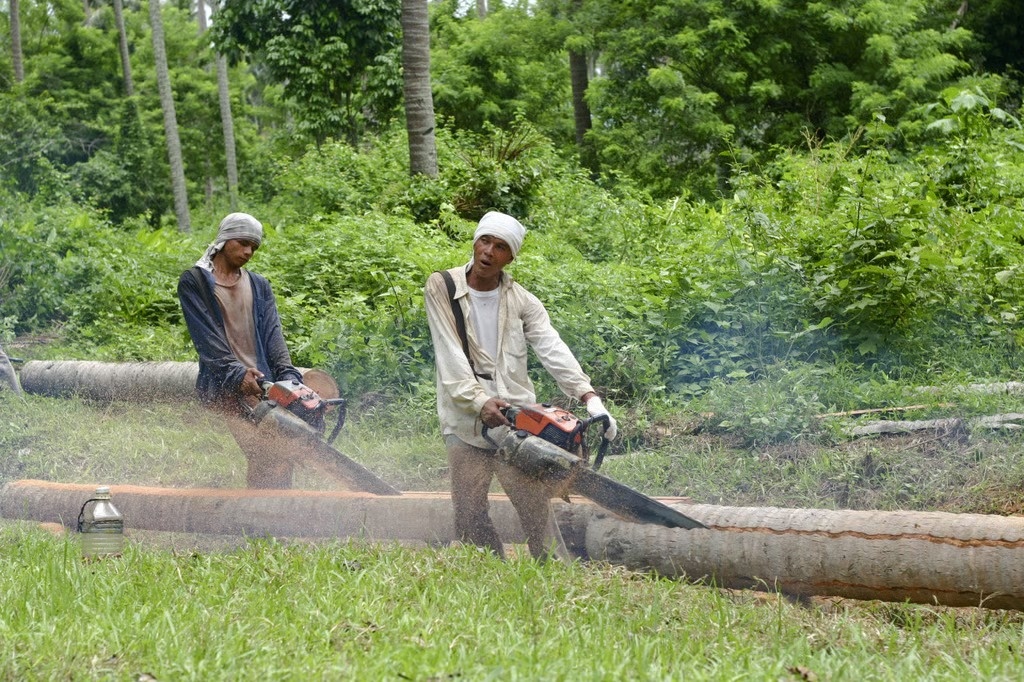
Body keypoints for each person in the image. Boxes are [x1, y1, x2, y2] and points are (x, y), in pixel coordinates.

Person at [424, 211, 618, 560]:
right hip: (464, 416)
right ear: (475, 241)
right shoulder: (443, 286)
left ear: (510, 257)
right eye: (485, 241)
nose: (488, 252)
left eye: (500, 247)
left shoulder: (521, 300)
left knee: (532, 504)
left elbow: (550, 345)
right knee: (469, 509)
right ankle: (488, 569)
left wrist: (588, 396)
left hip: (516, 420)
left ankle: (550, 566)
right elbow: (449, 353)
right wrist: (478, 399)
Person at [178, 212, 303, 489]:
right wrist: (237, 375)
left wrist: (287, 374)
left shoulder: (258, 284)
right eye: (243, 243)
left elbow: (273, 334)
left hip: (263, 383)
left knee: (282, 451)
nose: (248, 252)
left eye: (254, 247)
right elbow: (206, 339)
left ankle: (276, 521)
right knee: (264, 451)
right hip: (225, 384)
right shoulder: (195, 282)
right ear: (225, 239)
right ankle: (261, 520)